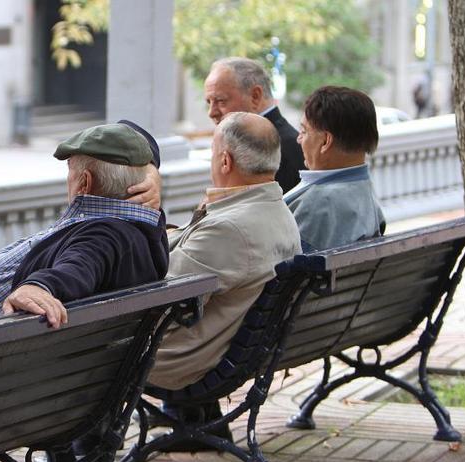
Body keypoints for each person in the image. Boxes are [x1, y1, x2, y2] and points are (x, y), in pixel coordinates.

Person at [0, 122, 169, 329]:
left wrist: (40, 286)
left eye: (70, 172)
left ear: (85, 183)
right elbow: (128, 132)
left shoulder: (105, 234)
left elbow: (80, 265)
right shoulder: (145, 230)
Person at [149, 112, 301, 392]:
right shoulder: (277, 211)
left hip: (178, 362)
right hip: (232, 353)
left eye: (212, 152)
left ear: (225, 161)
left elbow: (154, 292)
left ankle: (91, 436)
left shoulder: (229, 229)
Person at [285, 86, 386, 252]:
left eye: (304, 131)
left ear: (326, 141)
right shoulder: (364, 190)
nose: (298, 139)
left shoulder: (317, 205)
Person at [203, 57, 305, 193]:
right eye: (209, 102)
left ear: (255, 96)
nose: (211, 112)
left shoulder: (282, 148)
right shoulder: (282, 142)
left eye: (221, 101)